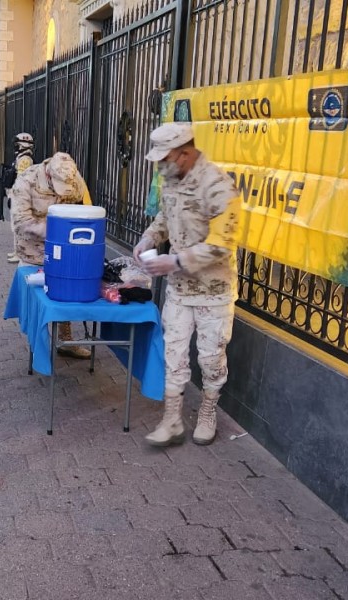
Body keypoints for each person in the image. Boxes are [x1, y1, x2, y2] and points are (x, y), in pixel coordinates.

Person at [133, 122, 240, 446]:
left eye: (166, 157)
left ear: (185, 153)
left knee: (210, 358)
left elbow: (223, 242)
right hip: (179, 289)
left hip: (213, 292)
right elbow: (164, 219)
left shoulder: (219, 186)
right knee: (174, 355)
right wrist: (148, 238)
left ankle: (208, 410)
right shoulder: (171, 180)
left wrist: (175, 261)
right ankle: (172, 420)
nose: (161, 165)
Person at [10, 152, 93, 359]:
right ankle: (37, 348)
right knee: (37, 303)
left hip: (63, 251)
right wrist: (55, 230)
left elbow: (84, 210)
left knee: (64, 296)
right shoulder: (26, 180)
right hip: (32, 253)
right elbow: (20, 223)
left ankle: (65, 341)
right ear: (48, 175)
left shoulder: (74, 179)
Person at [5, 132, 35, 264]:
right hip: (17, 195)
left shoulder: (25, 159)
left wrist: (14, 195)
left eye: (17, 145)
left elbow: (21, 180)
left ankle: (20, 253)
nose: (15, 147)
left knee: (18, 225)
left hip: (19, 197)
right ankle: (17, 250)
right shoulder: (22, 158)